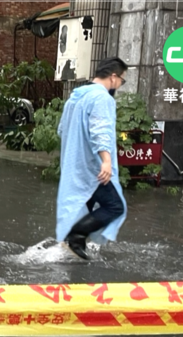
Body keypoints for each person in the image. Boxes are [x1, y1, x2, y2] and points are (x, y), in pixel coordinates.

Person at [56, 57, 129, 260]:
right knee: (115, 206)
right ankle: (76, 237)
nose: (120, 85)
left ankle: (69, 247)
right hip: (92, 167)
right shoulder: (102, 98)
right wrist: (106, 160)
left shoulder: (75, 97)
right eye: (122, 80)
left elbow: (62, 130)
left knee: (83, 204)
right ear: (113, 77)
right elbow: (100, 130)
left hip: (74, 165)